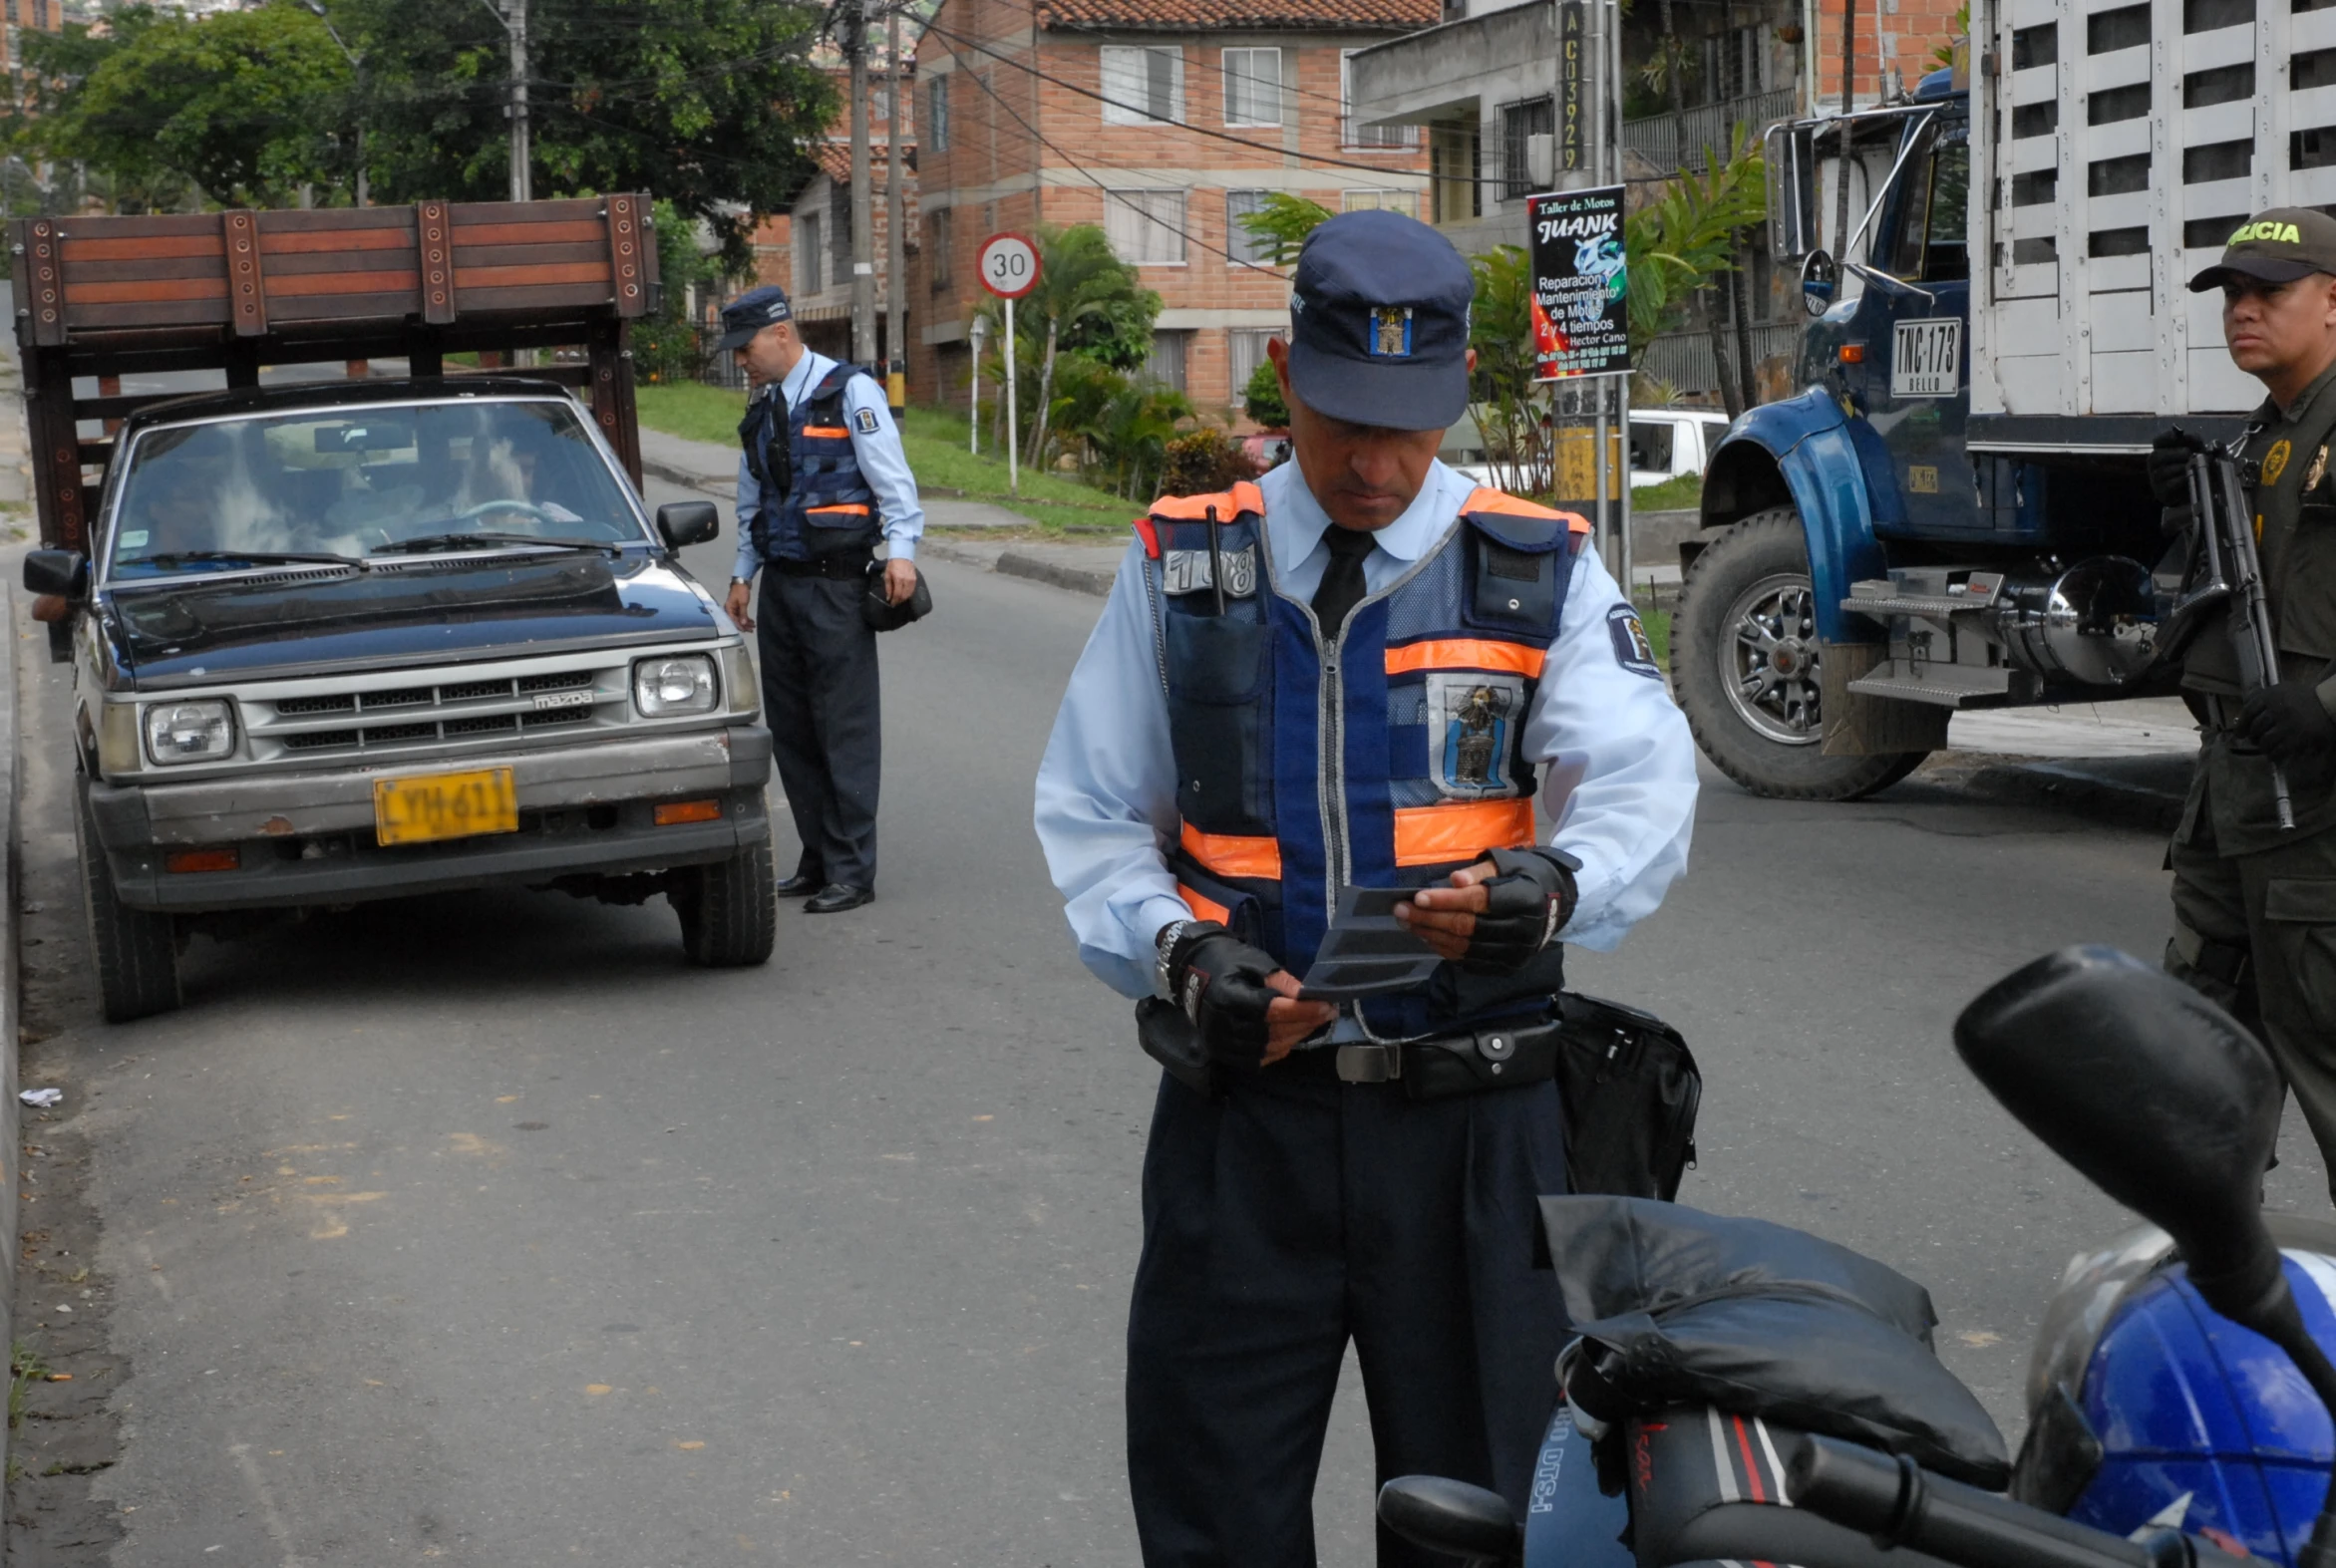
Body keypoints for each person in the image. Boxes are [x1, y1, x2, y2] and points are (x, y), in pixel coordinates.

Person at [1031, 209, 1699, 1567]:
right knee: (1213, 1514)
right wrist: (1178, 957)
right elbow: (1094, 814)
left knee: (1485, 1522)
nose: (1373, 461)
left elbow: (1642, 784)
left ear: (1453, 395)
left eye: (1406, 425)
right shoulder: (1183, 564)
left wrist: (1550, 888)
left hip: (1475, 1131)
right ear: (1284, 375)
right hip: (1246, 1130)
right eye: (1342, 421)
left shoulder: (1538, 564)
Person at [2152, 208, 2336, 1196]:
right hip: (2234, 794)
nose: (2243, 311)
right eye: (2231, 294)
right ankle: (2214, 1278)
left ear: (2335, 299)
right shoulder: (2267, 437)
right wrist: (2187, 523)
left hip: (2320, 803)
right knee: (2198, 1054)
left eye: (2270, 290)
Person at [719, 286, 924, 914]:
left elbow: (892, 479)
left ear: (781, 333)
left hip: (837, 585)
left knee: (845, 728)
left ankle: (852, 869)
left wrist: (902, 551)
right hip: (781, 585)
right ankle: (817, 856)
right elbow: (752, 503)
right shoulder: (761, 409)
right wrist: (742, 575)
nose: (741, 362)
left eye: (747, 348)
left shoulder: (851, 392)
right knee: (794, 730)